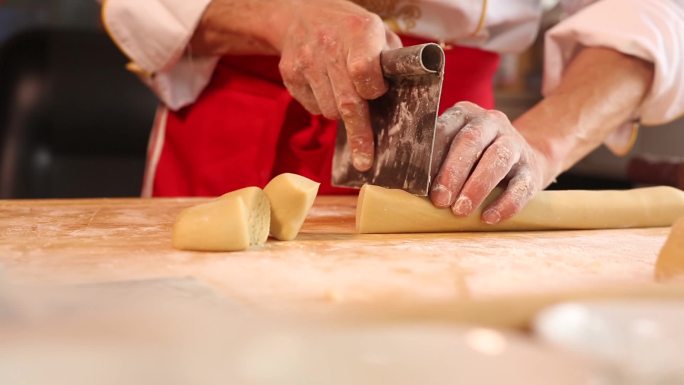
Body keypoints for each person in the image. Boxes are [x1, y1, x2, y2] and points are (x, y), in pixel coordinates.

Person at [101, 0, 684, 224]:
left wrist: (542, 144)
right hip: (232, 140)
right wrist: (279, 17)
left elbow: (649, 10)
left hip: (455, 154)